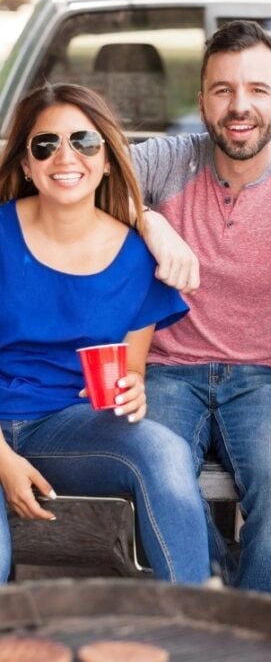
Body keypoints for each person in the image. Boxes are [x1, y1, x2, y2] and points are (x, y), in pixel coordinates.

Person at [0, 83, 212, 585]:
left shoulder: (136, 256)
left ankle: (197, 621)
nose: (65, 156)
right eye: (45, 144)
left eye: (84, 142)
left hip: (63, 427)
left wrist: (133, 387)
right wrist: (4, 462)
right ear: (27, 164)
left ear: (109, 158)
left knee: (163, 450)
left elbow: (129, 369)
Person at [131, 20, 271, 599]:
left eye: (257, 90)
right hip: (166, 370)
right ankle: (221, 604)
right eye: (223, 90)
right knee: (157, 476)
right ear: (202, 101)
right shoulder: (168, 160)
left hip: (261, 375)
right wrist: (150, 220)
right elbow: (84, 173)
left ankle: (260, 639)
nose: (240, 106)